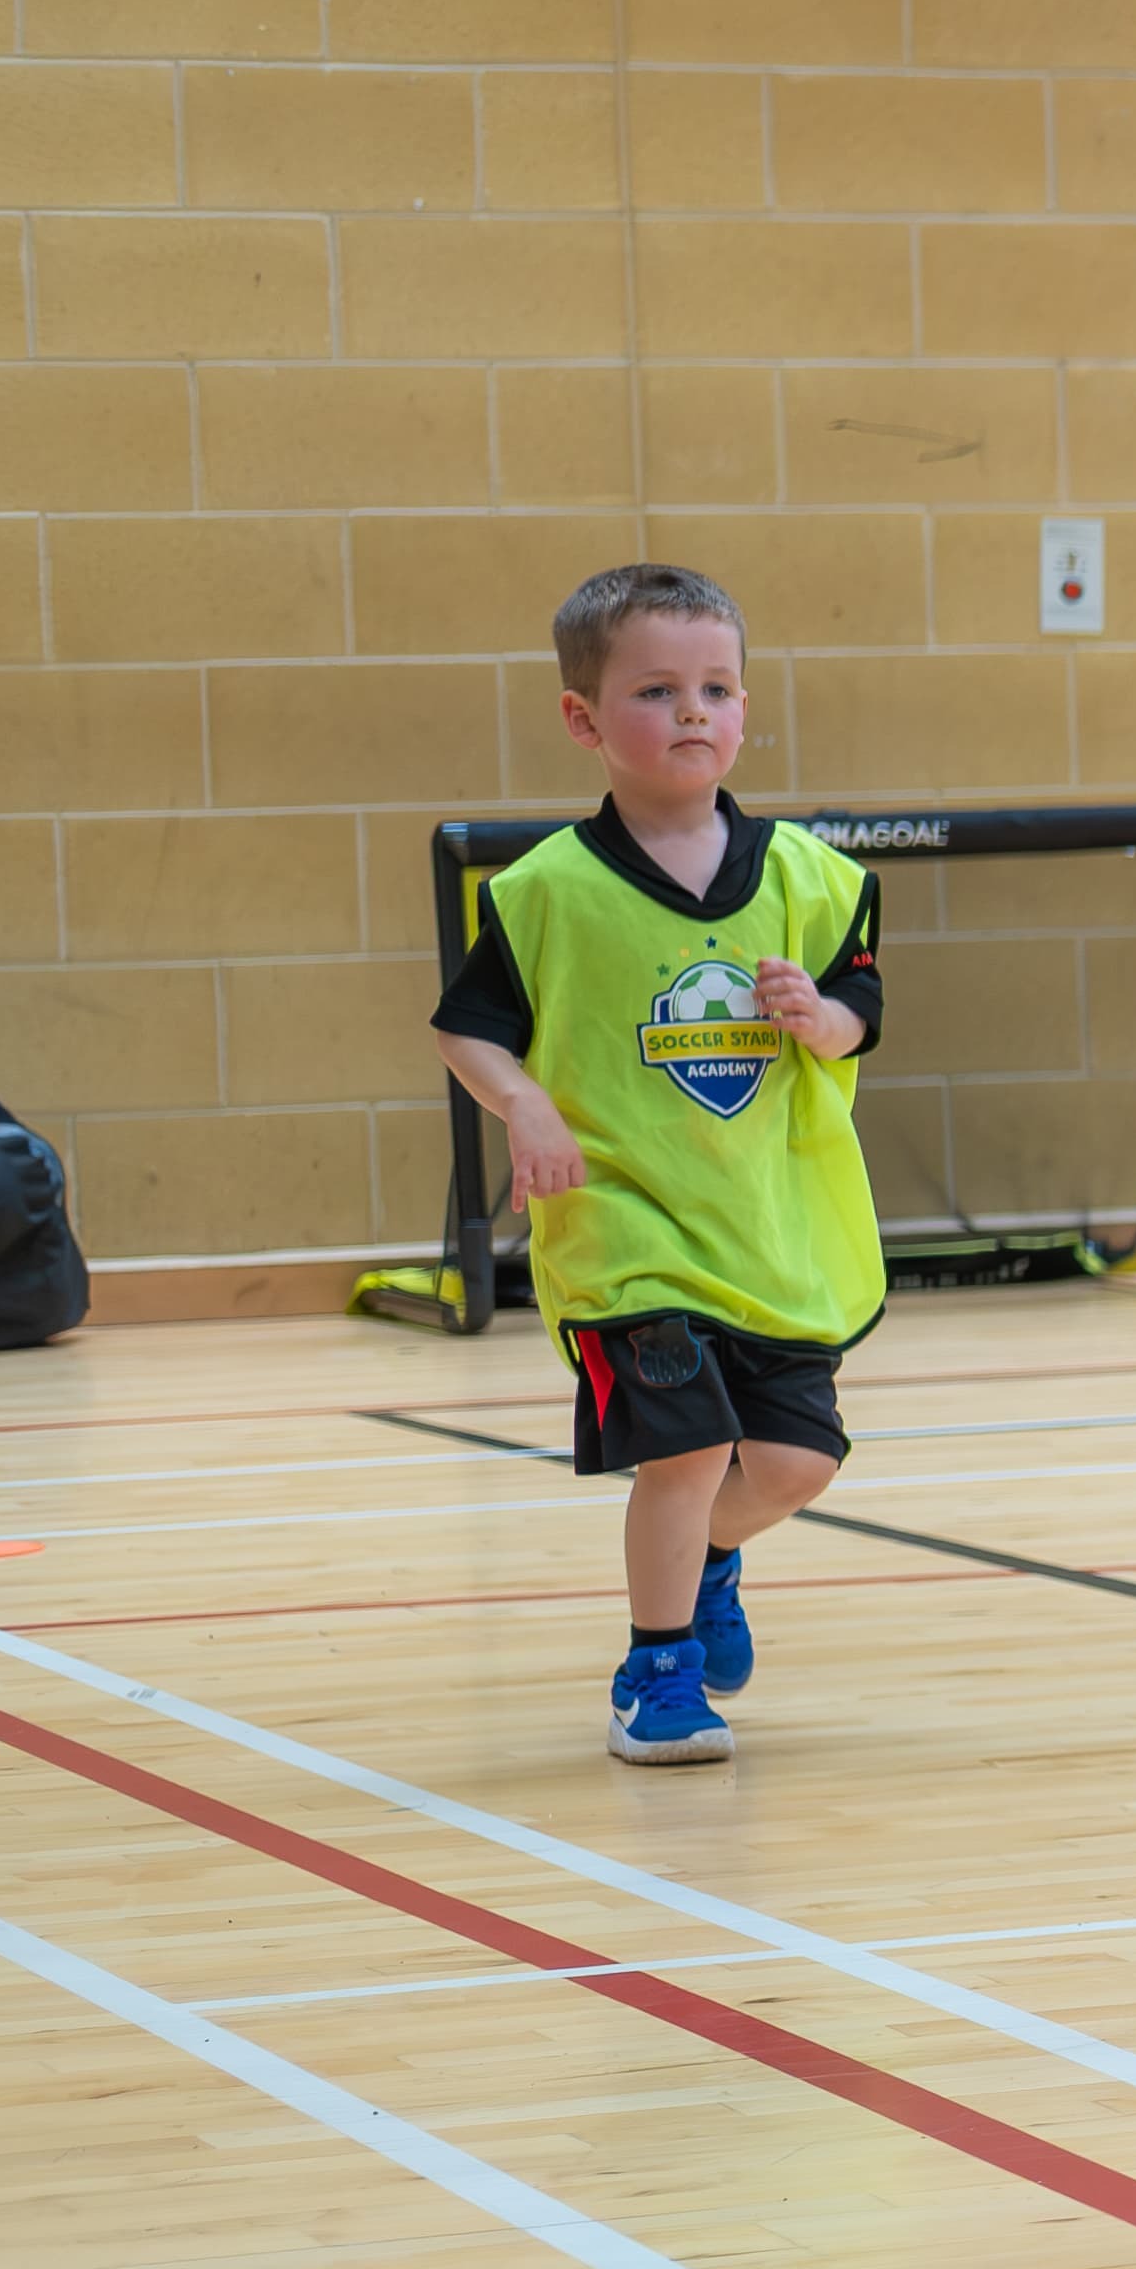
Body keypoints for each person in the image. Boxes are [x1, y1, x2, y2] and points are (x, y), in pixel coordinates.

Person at [426, 565, 883, 1769]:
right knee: (679, 1447)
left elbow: (864, 1009)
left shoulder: (813, 879)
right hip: (624, 1227)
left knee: (796, 1464)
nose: (693, 711)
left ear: (744, 708)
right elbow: (466, 1031)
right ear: (583, 720)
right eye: (657, 690)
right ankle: (659, 1671)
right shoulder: (544, 893)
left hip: (767, 1229)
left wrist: (823, 1020)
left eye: (717, 688)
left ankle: (712, 1557)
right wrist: (525, 1104)